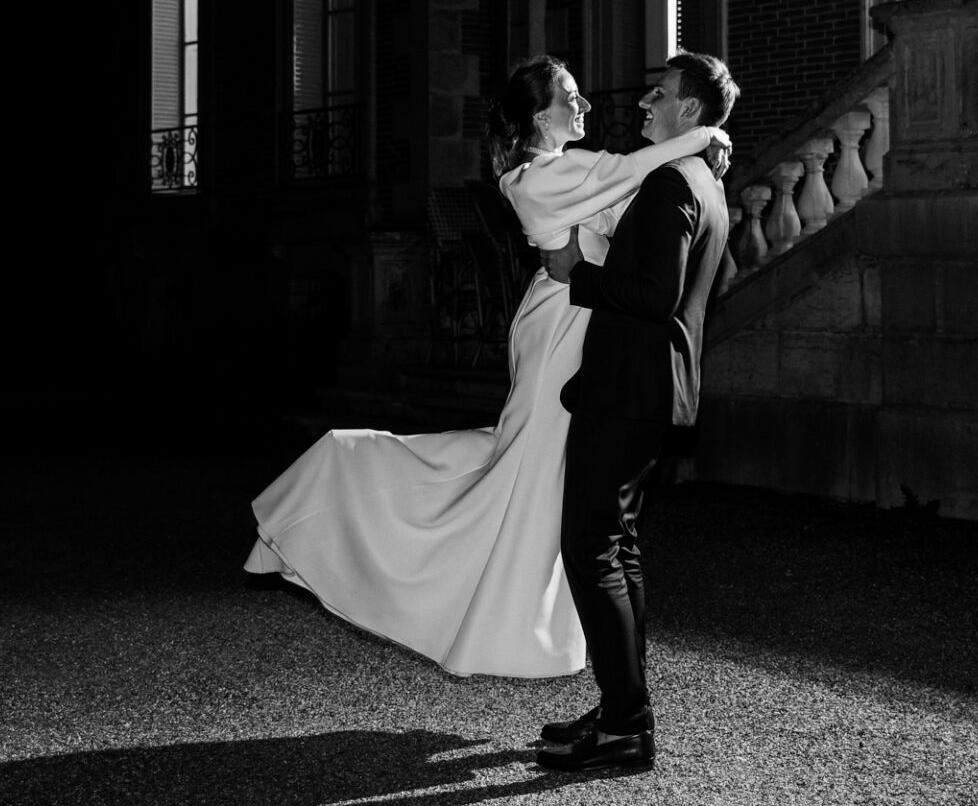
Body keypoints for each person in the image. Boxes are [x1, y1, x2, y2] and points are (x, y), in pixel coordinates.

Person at [243, 55, 730, 678]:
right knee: (530, 471)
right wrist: (706, 136)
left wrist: (698, 149)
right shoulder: (532, 180)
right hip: (562, 326)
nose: (584, 107)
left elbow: (636, 197)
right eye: (570, 98)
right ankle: (401, 544)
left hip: (581, 319)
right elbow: (632, 171)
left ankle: (549, 642)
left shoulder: (571, 169)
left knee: (541, 478)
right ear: (537, 116)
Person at [534, 51, 738, 770]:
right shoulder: (706, 184)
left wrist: (577, 274)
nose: (645, 103)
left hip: (629, 387)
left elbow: (653, 295)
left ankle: (626, 723)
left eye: (660, 94)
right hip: (659, 388)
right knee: (619, 546)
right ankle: (622, 709)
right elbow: (714, 278)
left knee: (591, 547)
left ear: (690, 111)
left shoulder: (666, 183)